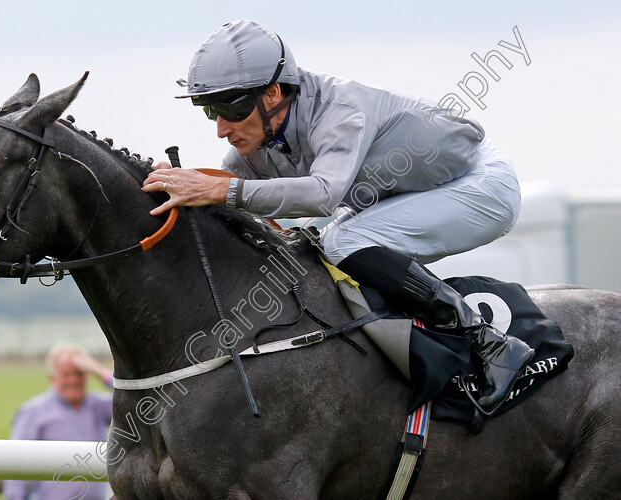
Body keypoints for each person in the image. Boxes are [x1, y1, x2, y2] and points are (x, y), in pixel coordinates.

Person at [141, 19, 533, 415]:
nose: (222, 128)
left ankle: (490, 342)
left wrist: (217, 189)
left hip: (479, 184)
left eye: (232, 107)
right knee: (314, 247)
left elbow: (323, 195)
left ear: (273, 93)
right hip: (421, 189)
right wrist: (177, 184)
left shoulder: (339, 112)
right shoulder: (256, 140)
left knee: (340, 242)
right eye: (211, 110)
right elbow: (228, 190)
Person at [2, 343, 113, 500]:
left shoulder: (98, 406)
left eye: (79, 373)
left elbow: (136, 402)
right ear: (52, 378)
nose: (73, 380)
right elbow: (16, 467)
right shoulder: (32, 412)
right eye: (66, 374)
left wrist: (101, 372)